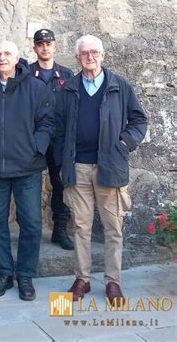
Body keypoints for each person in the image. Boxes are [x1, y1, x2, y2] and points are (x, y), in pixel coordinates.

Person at [54, 35, 147, 303]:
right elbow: (59, 127)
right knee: (81, 227)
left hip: (110, 165)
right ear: (77, 58)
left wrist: (123, 143)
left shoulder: (119, 85)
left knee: (112, 228)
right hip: (78, 167)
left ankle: (112, 282)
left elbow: (139, 120)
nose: (90, 57)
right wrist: (63, 159)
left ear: (103, 55)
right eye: (84, 53)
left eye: (94, 52)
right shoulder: (69, 88)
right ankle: (82, 279)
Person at [0, 40, 54, 301]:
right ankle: (3, 272)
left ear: (17, 59)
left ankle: (25, 274)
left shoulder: (36, 88)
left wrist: (36, 148)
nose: (2, 58)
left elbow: (48, 123)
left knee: (32, 223)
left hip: (27, 168)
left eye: (7, 54)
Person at [30, 29, 74, 250]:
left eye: (48, 43)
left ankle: (60, 230)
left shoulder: (66, 75)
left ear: (55, 46)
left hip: (59, 139)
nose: (45, 47)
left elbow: (73, 108)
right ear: (35, 47)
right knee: (27, 185)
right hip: (34, 138)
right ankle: (29, 231)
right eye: (40, 44)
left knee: (60, 185)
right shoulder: (26, 73)